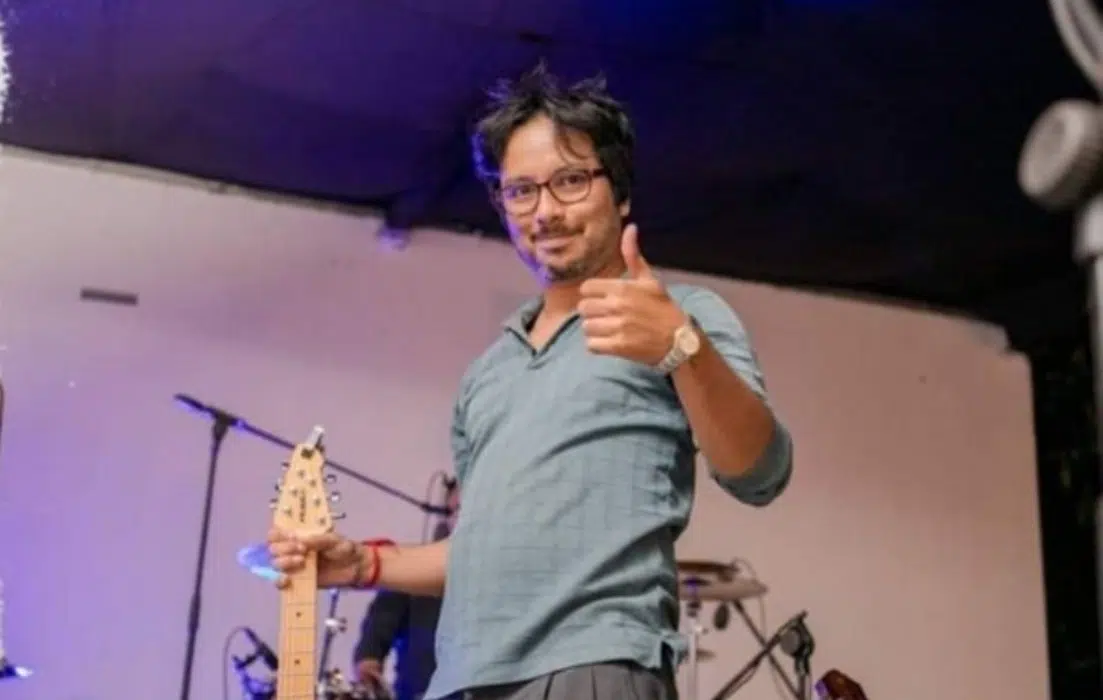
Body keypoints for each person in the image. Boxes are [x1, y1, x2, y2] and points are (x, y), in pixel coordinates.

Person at [268, 63, 794, 700]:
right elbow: (479, 553)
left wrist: (682, 348)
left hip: (593, 668)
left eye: (570, 181)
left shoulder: (684, 317)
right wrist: (366, 563)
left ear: (620, 192)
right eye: (520, 191)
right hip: (459, 681)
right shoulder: (488, 374)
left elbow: (761, 471)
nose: (544, 210)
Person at [353, 488, 460, 700]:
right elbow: (382, 619)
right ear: (447, 516)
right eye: (457, 509)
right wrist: (369, 658)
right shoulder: (420, 567)